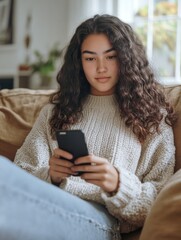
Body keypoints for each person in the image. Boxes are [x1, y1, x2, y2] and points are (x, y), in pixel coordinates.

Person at [0, 14, 177, 240]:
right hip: (46, 206)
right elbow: (20, 172)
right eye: (90, 58)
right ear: (79, 62)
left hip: (102, 221)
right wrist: (50, 175)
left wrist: (117, 184)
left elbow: (159, 199)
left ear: (126, 59)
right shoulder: (54, 112)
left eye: (111, 57)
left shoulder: (153, 116)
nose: (101, 68)